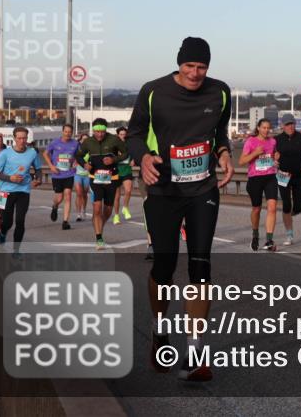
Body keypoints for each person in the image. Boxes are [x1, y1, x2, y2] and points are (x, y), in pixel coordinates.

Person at [127, 36, 233, 382]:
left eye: (201, 67)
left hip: (203, 187)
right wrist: (143, 157)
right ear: (179, 64)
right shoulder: (153, 91)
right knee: (165, 266)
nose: (195, 73)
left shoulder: (220, 92)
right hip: (164, 189)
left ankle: (196, 350)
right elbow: (134, 133)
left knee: (201, 266)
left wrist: (224, 153)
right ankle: (160, 331)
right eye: (189, 66)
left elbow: (219, 133)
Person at [77, 118, 128, 249]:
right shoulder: (88, 142)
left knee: (108, 210)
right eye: (97, 132)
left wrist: (113, 159)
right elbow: (78, 155)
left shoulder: (114, 139)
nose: (99, 134)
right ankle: (99, 237)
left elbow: (126, 153)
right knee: (97, 207)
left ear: (106, 130)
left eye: (102, 132)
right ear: (93, 130)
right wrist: (85, 164)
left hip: (112, 178)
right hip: (95, 178)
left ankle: (99, 226)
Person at [0, 127, 42, 250]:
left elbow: (38, 169)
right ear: (14, 139)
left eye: (24, 138)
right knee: (7, 222)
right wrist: (10, 178)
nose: (22, 141)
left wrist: (38, 179)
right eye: (19, 138)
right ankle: (3, 233)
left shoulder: (32, 153)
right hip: (6, 191)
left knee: (20, 220)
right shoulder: (5, 153)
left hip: (23, 191)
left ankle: (16, 249)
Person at [240, 119, 279, 251]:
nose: (266, 130)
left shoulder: (273, 141)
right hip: (255, 178)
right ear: (258, 128)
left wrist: (275, 159)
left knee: (272, 207)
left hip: (270, 177)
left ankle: (269, 240)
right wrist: (255, 153)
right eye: (264, 128)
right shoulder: (251, 142)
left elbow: (272, 157)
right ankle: (255, 235)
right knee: (257, 209)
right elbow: (241, 161)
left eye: (268, 128)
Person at [274, 114, 301, 246]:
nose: (291, 126)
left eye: (293, 124)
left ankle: (291, 213)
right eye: (288, 124)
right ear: (283, 126)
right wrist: (273, 161)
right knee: (286, 204)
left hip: (298, 176)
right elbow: (266, 155)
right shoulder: (276, 140)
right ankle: (289, 234)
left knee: (298, 206)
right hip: (282, 175)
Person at [41, 123, 79, 230]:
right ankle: (55, 206)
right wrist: (51, 166)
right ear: (62, 131)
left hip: (69, 173)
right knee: (59, 197)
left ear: (72, 133)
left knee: (68, 195)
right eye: (66, 131)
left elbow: (79, 155)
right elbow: (45, 153)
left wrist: (76, 161)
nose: (67, 134)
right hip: (57, 174)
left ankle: (65, 221)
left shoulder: (75, 143)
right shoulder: (55, 142)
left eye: (70, 132)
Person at [113, 126, 135, 224]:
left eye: (124, 135)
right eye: (121, 134)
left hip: (126, 170)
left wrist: (134, 160)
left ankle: (125, 207)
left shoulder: (129, 145)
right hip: (116, 171)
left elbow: (135, 154)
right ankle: (116, 215)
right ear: (118, 135)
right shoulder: (114, 146)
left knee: (128, 190)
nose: (123, 136)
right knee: (117, 196)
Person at [73, 133, 92, 222]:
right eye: (83, 139)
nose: (85, 141)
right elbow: (72, 157)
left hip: (87, 175)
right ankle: (78, 213)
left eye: (86, 139)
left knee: (84, 194)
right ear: (80, 140)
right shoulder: (77, 149)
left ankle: (84, 210)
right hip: (78, 174)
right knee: (79, 193)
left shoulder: (91, 150)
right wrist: (73, 163)